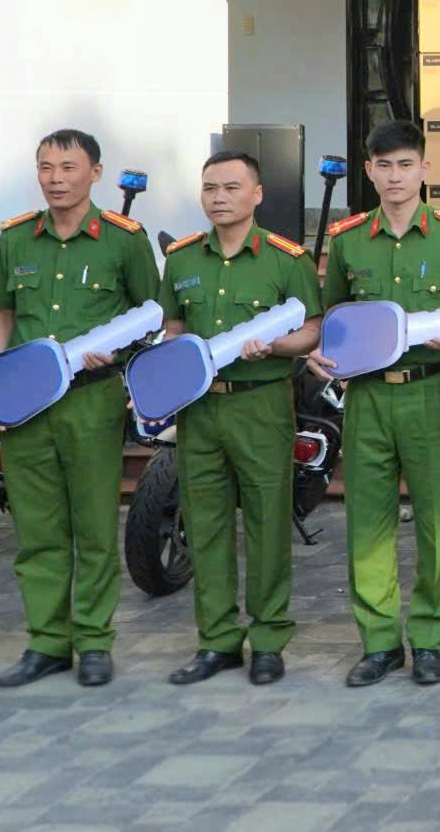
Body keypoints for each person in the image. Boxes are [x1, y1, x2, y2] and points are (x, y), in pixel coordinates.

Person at [0, 128, 162, 689]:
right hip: (26, 406)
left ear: (95, 173)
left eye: (68, 167)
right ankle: (46, 643)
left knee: (93, 526)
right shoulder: (15, 238)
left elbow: (151, 315)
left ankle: (94, 642)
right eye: (46, 168)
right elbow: (2, 316)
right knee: (37, 528)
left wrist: (122, 352)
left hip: (91, 400)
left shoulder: (124, 240)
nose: (56, 179)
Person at [314, 120, 440, 688]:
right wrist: (323, 352)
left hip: (430, 390)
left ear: (424, 169)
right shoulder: (347, 240)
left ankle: (430, 638)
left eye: (405, 165)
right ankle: (380, 641)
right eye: (384, 166)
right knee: (368, 521)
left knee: (436, 519)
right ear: (369, 171)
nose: (395, 176)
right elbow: (333, 318)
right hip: (367, 394)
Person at [154, 150, 323, 688]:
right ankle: (217, 640)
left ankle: (269, 639)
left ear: (257, 194)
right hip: (200, 407)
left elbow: (312, 330)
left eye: (231, 187)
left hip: (261, 403)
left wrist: (275, 345)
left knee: (268, 522)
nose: (219, 198)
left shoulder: (287, 259)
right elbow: (174, 330)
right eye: (210, 188)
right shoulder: (182, 259)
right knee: (205, 524)